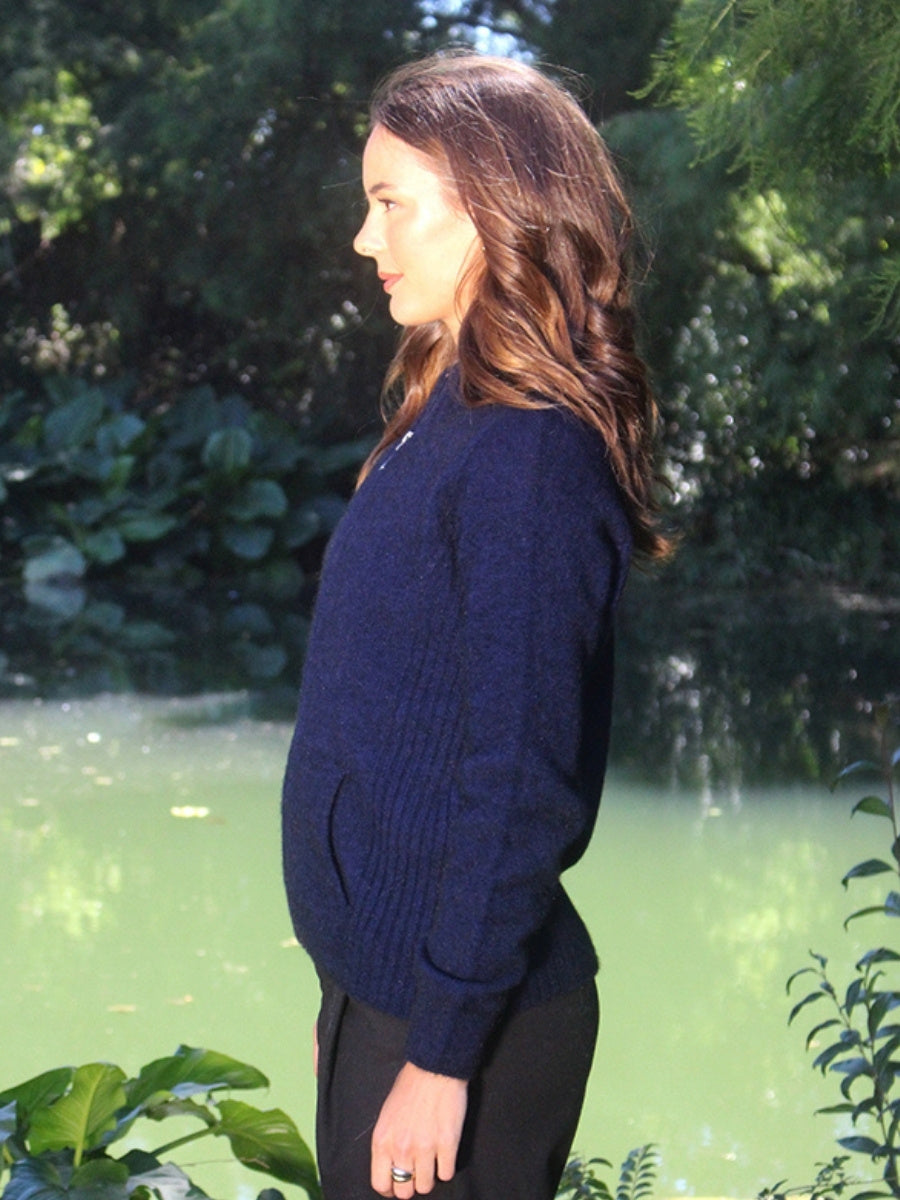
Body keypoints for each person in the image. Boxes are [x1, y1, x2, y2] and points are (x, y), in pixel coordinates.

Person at [281, 51, 670, 1200]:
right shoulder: (445, 414)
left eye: (391, 202)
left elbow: (518, 781)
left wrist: (440, 1054)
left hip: (467, 1029)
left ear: (497, 207)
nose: (365, 237)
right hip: (390, 993)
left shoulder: (527, 456)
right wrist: (346, 995)